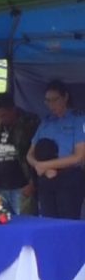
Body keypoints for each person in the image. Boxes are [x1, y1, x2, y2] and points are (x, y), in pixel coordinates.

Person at [26, 80, 85, 219]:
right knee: (47, 220)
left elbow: (79, 156)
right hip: (46, 177)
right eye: (47, 101)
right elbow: (29, 154)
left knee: (67, 222)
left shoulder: (78, 120)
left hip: (69, 176)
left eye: (54, 100)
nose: (51, 104)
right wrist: (39, 166)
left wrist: (44, 165)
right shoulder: (46, 122)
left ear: (65, 97)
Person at [0, 92, 39, 215]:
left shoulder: (30, 123)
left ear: (13, 109)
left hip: (22, 187)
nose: (1, 120)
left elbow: (37, 154)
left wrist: (33, 183)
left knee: (24, 225)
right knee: (2, 223)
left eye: (4, 115)